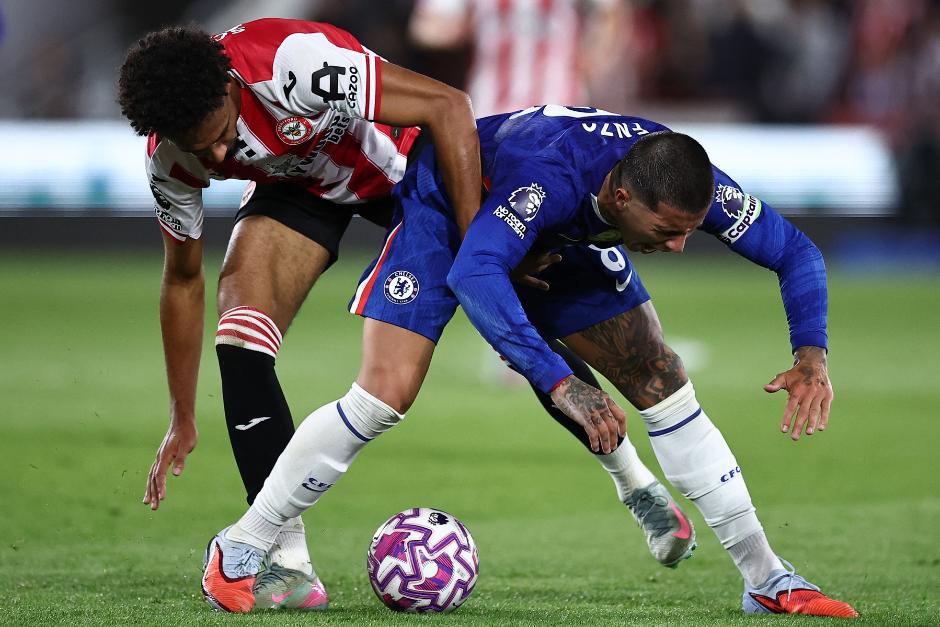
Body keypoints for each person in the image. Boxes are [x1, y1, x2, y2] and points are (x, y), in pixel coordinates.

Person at [117, 21, 694, 610]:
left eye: (221, 135)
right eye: (200, 149)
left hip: (413, 171)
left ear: (231, 86)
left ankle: (634, 484)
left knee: (515, 316)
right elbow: (182, 280)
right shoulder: (171, 160)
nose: (218, 157)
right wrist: (182, 415)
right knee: (240, 338)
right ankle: (287, 563)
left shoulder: (294, 62)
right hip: (301, 193)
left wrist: (479, 249)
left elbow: (448, 106)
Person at [202, 105, 858, 617]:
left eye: (689, 229)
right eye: (667, 232)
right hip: (452, 204)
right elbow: (475, 272)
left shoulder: (676, 179)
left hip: (563, 232)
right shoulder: (552, 175)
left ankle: (766, 578)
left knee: (659, 376)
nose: (680, 247)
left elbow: (796, 252)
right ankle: (242, 544)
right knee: (384, 395)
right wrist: (559, 380)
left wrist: (812, 355)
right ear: (622, 199)